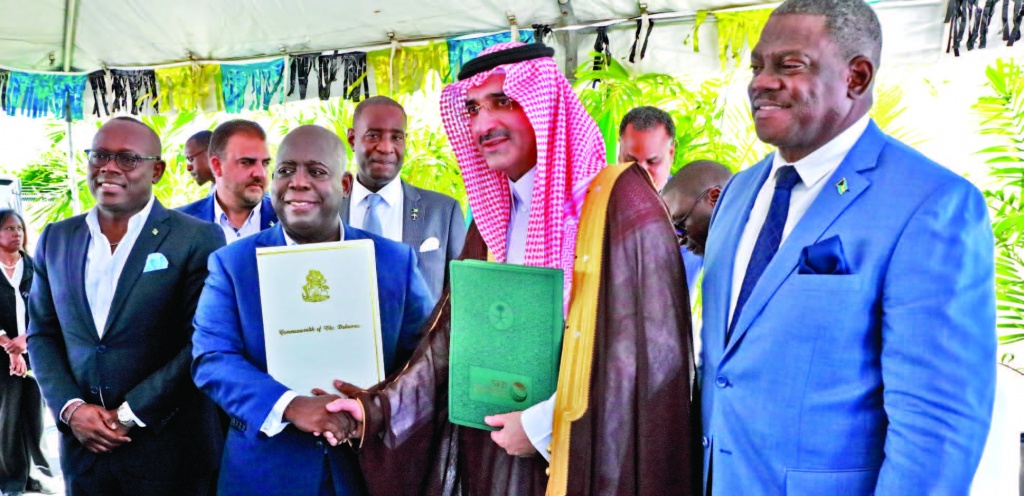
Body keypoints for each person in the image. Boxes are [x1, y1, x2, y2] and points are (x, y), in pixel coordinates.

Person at [326, 42, 699, 496]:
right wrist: (380, 410)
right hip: (495, 455)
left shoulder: (621, 204)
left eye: (503, 101)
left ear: (546, 104)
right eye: (474, 109)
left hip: (587, 462)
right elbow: (454, 338)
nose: (484, 123)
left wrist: (544, 424)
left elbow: (647, 362)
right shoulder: (491, 218)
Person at [699, 1, 996, 494]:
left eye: (788, 65)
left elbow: (938, 426)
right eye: (756, 66)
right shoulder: (737, 194)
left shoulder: (931, 204)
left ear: (856, 77)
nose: (760, 82)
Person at [190, 125, 434, 496]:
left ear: (346, 185)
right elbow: (211, 358)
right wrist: (291, 405)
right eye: (285, 170)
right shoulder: (232, 264)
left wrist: (375, 408)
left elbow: (426, 360)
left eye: (317, 171)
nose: (298, 183)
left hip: (368, 471)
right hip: (266, 473)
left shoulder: (393, 261)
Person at [27, 116, 226, 495]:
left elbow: (200, 342)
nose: (109, 168)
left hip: (170, 453)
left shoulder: (196, 238)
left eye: (127, 158)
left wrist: (129, 414)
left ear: (158, 170)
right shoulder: (56, 238)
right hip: (85, 456)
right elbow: (43, 334)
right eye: (99, 155)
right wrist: (71, 410)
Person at [341, 96, 467, 300]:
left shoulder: (443, 211)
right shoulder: (326, 210)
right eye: (373, 135)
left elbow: (462, 296)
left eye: (397, 137)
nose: (386, 147)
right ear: (352, 139)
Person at [0, 210, 54, 496]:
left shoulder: (35, 268)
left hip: (34, 350)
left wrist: (25, 340)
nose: (16, 233)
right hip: (2, 356)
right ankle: (11, 481)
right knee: (7, 418)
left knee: (34, 414)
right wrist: (10, 346)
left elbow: (48, 309)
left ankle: (38, 476)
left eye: (19, 228)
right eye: (8, 228)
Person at [178, 120, 278, 244]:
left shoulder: (287, 219)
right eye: (246, 162)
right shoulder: (179, 224)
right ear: (217, 166)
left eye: (265, 163)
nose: (260, 173)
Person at [617, 105, 676, 191]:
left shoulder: (686, 201)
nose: (641, 171)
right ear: (620, 152)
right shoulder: (599, 194)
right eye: (631, 160)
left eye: (652, 161)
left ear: (671, 154)